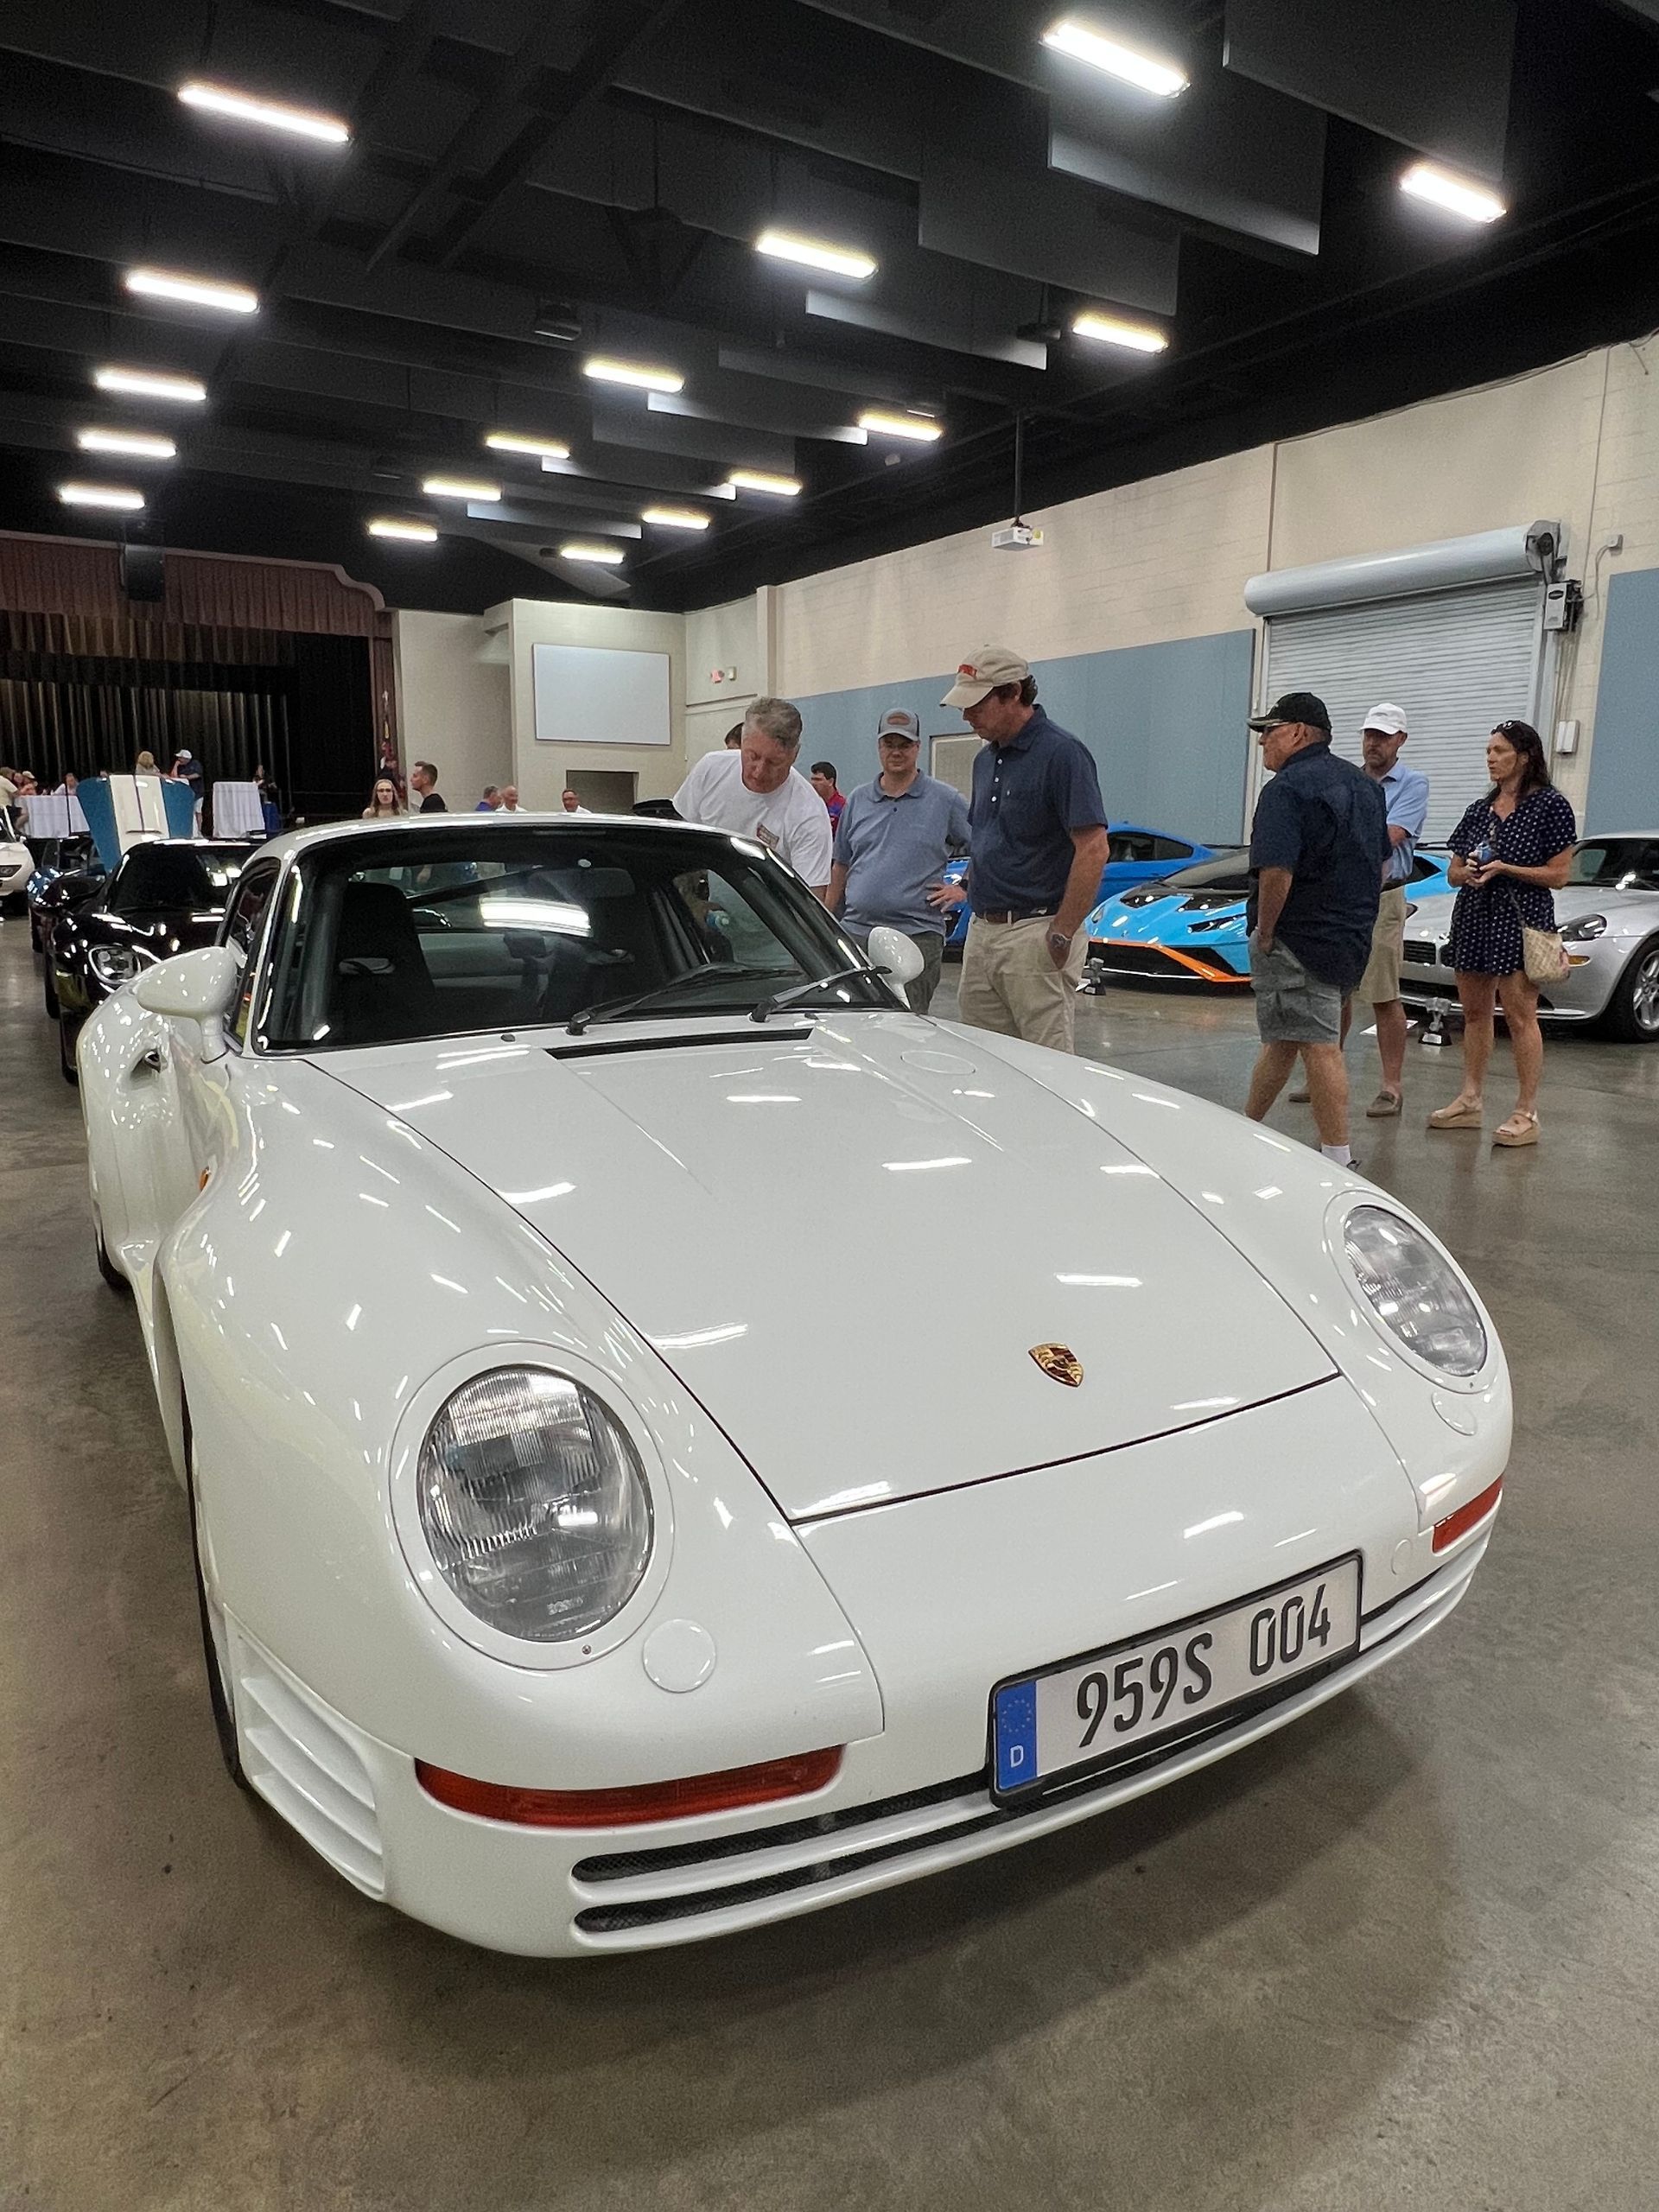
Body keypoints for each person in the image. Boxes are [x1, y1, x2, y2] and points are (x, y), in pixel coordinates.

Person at [931, 646, 1109, 1053]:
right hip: (982, 932)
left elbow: (1094, 850)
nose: (966, 716)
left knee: (1046, 1067)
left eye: (975, 704)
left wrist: (1062, 932)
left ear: (1012, 693)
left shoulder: (1062, 754)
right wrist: (968, 884)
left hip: (1035, 931)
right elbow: (989, 838)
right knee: (987, 1058)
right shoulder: (984, 760)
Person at [1243, 693, 1389, 1166]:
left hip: (1297, 939)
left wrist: (1266, 932)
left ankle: (1338, 1156)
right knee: (1285, 1037)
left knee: (1321, 1047)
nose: (1262, 741)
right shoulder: (1366, 788)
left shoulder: (1286, 790)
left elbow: (1277, 871)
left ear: (1299, 733)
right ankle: (1243, 1129)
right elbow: (1380, 866)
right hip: (1349, 939)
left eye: (1270, 730)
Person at [1428, 720, 1576, 1147]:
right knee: (1474, 1012)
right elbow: (1453, 872)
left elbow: (1560, 875)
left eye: (1499, 751)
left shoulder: (1551, 807)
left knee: (1519, 1013)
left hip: (1522, 918)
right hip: (1475, 914)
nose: (1491, 758)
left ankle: (1526, 1111)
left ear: (1524, 757)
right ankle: (1470, 1099)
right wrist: (1467, 873)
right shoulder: (1479, 810)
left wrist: (1506, 868)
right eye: (1488, 751)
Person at [1287, 702, 1429, 1119]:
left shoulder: (1412, 784)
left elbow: (1392, 834)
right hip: (1343, 895)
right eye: (1369, 735)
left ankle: (1391, 1087)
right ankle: (1326, 1075)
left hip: (1384, 897)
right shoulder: (1350, 779)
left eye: (1383, 736)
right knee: (1334, 989)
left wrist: (1337, 829)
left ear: (1400, 740)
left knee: (1383, 994)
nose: (1373, 743)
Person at [829, 709, 970, 1013]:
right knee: (850, 1022)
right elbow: (841, 863)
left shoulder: (946, 800)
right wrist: (827, 919)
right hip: (857, 933)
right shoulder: (858, 800)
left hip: (916, 934)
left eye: (904, 745)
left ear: (918, 747)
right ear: (879, 748)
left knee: (909, 1023)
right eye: (889, 744)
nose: (896, 752)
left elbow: (987, 844)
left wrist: (966, 888)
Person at [673, 697, 833, 897]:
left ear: (795, 755)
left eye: (775, 762)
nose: (759, 772)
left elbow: (810, 901)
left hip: (772, 922)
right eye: (753, 756)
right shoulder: (711, 770)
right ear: (742, 741)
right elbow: (677, 844)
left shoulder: (809, 815)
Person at [810, 761, 847, 830]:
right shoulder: (809, 804)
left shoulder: (842, 806)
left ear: (830, 782)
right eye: (812, 779)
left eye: (818, 780)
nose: (813, 783)